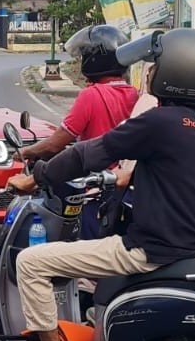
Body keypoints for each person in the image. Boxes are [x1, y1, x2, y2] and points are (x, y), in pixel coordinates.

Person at [3, 28, 195, 341]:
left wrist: (36, 177)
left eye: (155, 65)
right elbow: (186, 167)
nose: (149, 72)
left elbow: (84, 153)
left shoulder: (160, 121)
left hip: (148, 249)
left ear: (173, 71)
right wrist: (134, 173)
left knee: (31, 262)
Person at [19, 25, 138, 240]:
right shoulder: (135, 95)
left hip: (97, 191)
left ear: (94, 60)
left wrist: (28, 151)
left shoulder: (91, 95)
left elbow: (57, 143)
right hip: (128, 190)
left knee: (83, 256)